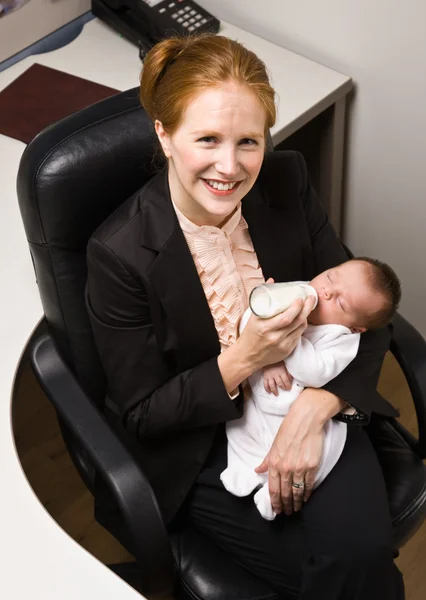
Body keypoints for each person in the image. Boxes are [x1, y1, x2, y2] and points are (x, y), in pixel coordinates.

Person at [85, 34, 405, 599]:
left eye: (248, 141)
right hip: (205, 438)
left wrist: (319, 404)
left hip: (313, 404)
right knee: (340, 576)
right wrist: (246, 357)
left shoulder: (287, 181)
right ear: (163, 133)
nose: (230, 168)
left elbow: (362, 311)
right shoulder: (119, 254)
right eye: (206, 138)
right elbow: (143, 414)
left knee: (361, 554)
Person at [221, 258, 402, 520]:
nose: (327, 291)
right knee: (242, 429)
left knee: (325, 451)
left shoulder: (342, 339)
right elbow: (251, 315)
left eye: (340, 302)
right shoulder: (298, 291)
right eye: (330, 277)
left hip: (296, 403)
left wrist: (289, 338)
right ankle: (241, 470)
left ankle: (271, 496)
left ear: (355, 327)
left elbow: (315, 372)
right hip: (259, 397)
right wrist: (268, 358)